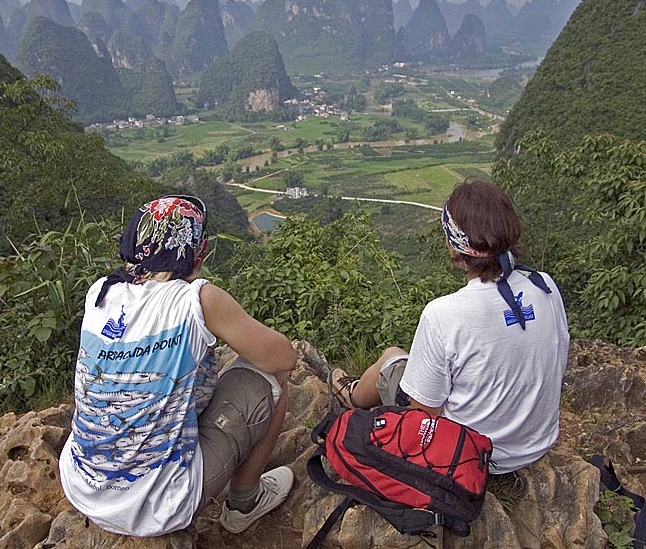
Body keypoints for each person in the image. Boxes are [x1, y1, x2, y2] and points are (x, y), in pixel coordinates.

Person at [59, 195, 298, 536]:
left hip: (83, 486)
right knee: (273, 375)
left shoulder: (101, 291)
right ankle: (245, 503)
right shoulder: (198, 299)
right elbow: (283, 357)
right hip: (157, 506)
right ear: (197, 251)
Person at [329, 180, 570, 474]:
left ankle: (351, 396)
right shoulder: (544, 286)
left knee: (392, 359)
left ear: (455, 248)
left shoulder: (443, 314)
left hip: (472, 458)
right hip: (536, 446)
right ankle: (353, 392)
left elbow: (423, 416)